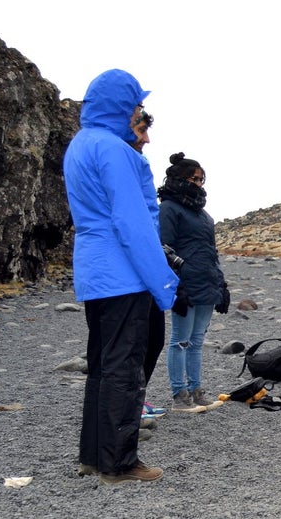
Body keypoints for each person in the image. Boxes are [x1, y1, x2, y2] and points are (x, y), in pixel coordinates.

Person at [63, 69, 177, 485]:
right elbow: (133, 223)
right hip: (124, 275)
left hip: (96, 272)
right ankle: (119, 463)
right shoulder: (114, 150)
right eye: (139, 117)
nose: (144, 131)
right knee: (124, 368)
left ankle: (93, 455)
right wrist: (163, 283)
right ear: (122, 110)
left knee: (102, 365)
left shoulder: (81, 145)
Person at [158, 153, 229, 411]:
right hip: (185, 285)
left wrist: (221, 284)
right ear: (179, 179)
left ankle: (196, 390)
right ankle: (180, 395)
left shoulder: (204, 215)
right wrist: (177, 283)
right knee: (180, 340)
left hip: (207, 281)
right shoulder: (168, 208)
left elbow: (211, 251)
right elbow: (163, 248)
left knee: (197, 340)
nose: (198, 183)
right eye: (193, 178)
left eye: (201, 179)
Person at [128, 109, 168, 422]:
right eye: (141, 130)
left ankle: (135, 400)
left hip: (147, 273)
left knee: (153, 339)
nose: (147, 138)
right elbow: (129, 224)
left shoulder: (135, 164)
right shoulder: (118, 162)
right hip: (130, 277)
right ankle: (127, 407)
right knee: (132, 346)